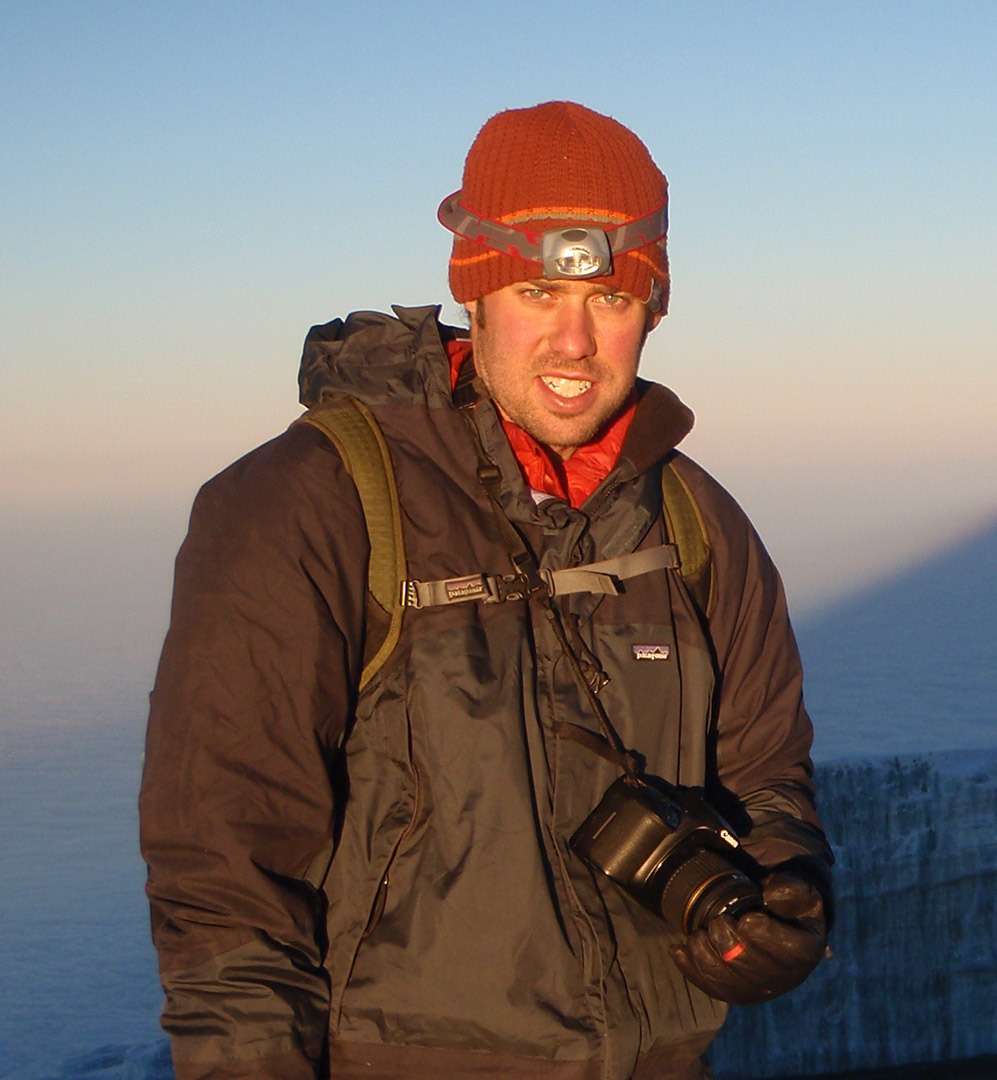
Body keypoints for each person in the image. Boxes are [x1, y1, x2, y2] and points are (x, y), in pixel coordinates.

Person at [139, 100, 833, 1080]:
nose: (576, 343)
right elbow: (226, 891)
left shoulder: (695, 528)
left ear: (653, 306)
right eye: (538, 294)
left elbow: (767, 775)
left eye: (612, 300)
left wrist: (780, 896)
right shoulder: (308, 507)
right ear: (473, 288)